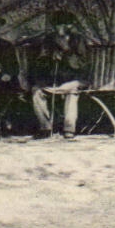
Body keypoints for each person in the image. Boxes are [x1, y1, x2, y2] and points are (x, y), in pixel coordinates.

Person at [31, 11, 87, 140]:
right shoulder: (49, 40)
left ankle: (69, 129)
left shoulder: (78, 40)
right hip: (54, 81)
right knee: (37, 91)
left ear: (69, 26)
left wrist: (66, 50)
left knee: (72, 90)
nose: (60, 28)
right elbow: (41, 61)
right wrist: (50, 58)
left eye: (63, 25)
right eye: (57, 25)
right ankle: (45, 127)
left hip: (74, 80)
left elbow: (81, 64)